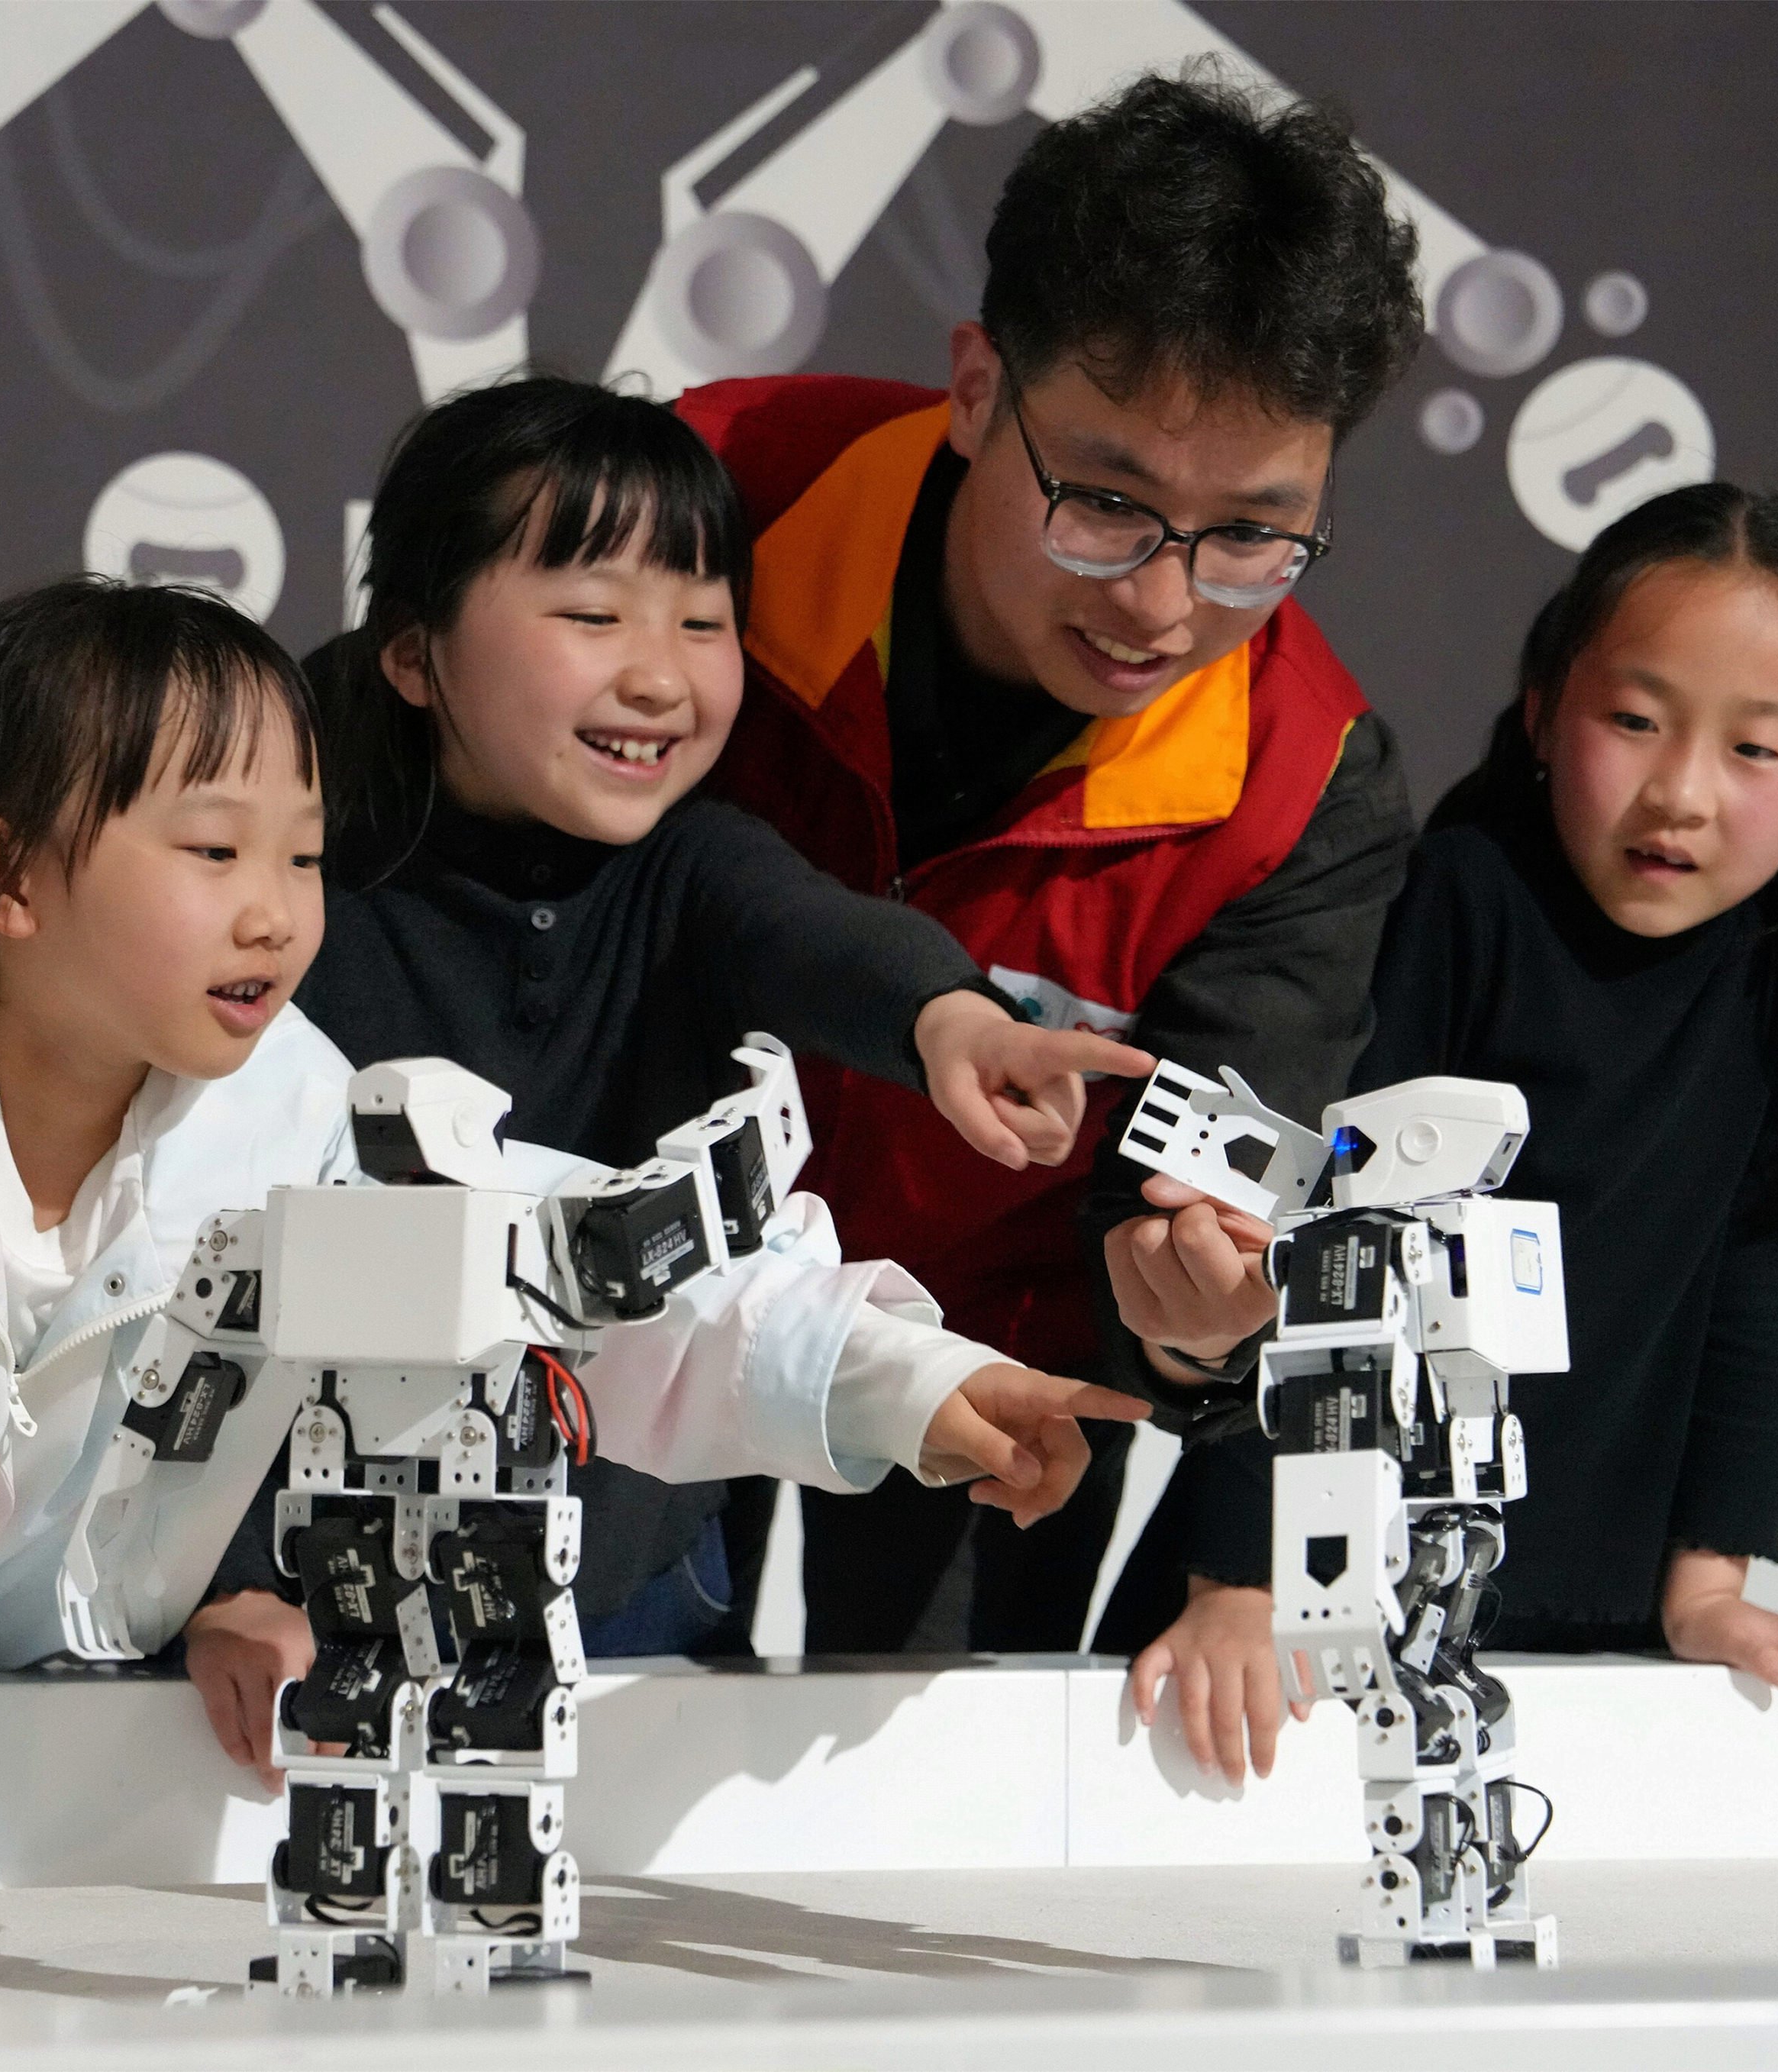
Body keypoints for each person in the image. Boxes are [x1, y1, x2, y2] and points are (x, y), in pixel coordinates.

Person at [0, 577, 1132, 1932]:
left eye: (306, 854)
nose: (274, 912)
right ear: (5, 877)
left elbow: (544, 1269)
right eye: (209, 847)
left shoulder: (270, 1105)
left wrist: (899, 1378)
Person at [182, 379, 1156, 1757]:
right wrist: (235, 1575)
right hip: (299, 1570)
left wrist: (953, 1019)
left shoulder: (695, 865)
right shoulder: (297, 889)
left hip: (631, 1571)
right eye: (592, 616)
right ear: (412, 653)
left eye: (703, 622)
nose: (661, 674)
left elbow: (811, 934)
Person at [674, 67, 1425, 1771]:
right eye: (1101, 497)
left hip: (982, 1382)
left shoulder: (1298, 782)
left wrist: (1180, 1314)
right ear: (970, 387)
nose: (1162, 601)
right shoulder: (705, 500)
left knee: (909, 1834)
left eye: (1250, 535)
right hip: (628, 1316)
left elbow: (1200, 1202)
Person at [1125, 481, 1778, 1735]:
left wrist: (1710, 1587)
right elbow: (1314, 1240)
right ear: (1542, 709)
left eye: (1753, 749)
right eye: (1634, 718)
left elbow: (1759, 1263)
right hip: (1291, 1605)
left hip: (1598, 1614)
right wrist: (1240, 1578)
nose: (1680, 790)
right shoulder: (1459, 898)